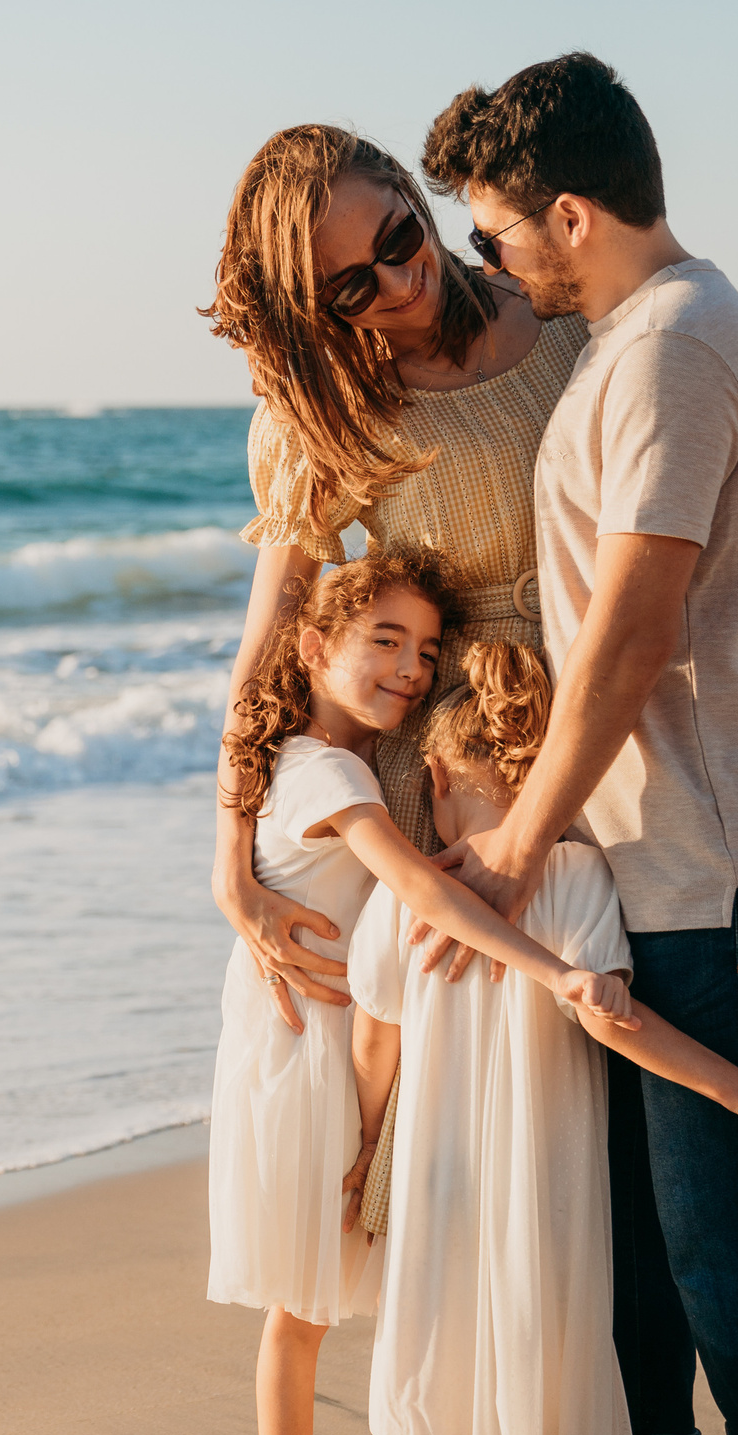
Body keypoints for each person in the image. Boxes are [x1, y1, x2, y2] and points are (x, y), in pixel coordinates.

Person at [418, 53, 738, 1435]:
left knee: (733, 1216)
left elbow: (640, 625)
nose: (491, 263)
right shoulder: (639, 344)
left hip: (716, 860)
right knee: (647, 1218)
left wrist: (521, 839)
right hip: (655, 858)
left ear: (575, 214)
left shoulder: (676, 349)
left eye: (498, 234)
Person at [344, 638, 738, 1435]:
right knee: (531, 1343)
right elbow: (615, 1017)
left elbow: (373, 1043)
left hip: (435, 1180)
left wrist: (363, 1157)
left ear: (435, 776)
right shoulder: (577, 879)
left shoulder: (407, 892)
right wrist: (736, 1087)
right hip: (543, 1186)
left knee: (423, 1339)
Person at [205, 546, 638, 1435]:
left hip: (345, 1041)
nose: (409, 667)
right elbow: (423, 894)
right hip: (309, 1051)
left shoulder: (337, 760)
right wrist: (552, 967)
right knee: (303, 1295)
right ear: (311, 646)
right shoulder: (331, 771)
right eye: (382, 641)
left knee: (371, 1273)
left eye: (427, 649)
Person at [202, 124, 589, 1035]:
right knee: (474, 1066)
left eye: (397, 240)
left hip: (603, 708)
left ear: (416, 198)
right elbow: (269, 642)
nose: (397, 281)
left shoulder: (564, 312)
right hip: (460, 760)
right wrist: (229, 862)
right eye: (349, 285)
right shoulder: (330, 417)